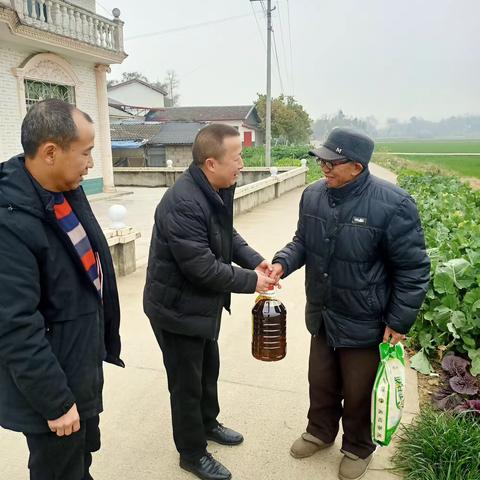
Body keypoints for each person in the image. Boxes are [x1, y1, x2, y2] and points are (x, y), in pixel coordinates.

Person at [271, 127, 430, 480]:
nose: (323, 168)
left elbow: (414, 269)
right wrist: (282, 261)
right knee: (321, 380)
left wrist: (399, 321)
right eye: (321, 160)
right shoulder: (312, 196)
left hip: (366, 319)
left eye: (331, 162)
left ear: (356, 167)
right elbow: (302, 241)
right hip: (324, 312)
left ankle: (358, 446)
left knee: (359, 391)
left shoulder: (394, 205)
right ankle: (320, 430)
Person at [0, 99, 124, 480]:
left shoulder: (63, 191)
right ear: (50, 152)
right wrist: (56, 402)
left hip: (77, 364)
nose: (91, 163)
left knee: (79, 462)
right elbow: (15, 326)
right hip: (51, 388)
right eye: (85, 153)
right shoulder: (11, 220)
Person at [144, 123, 275, 480]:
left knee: (207, 370)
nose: (242, 164)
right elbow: (201, 267)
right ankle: (192, 452)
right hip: (175, 309)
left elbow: (226, 234)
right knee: (186, 384)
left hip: (199, 305)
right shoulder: (184, 202)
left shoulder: (216, 188)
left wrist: (254, 260)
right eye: (237, 157)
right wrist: (254, 282)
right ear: (211, 163)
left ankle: (208, 423)